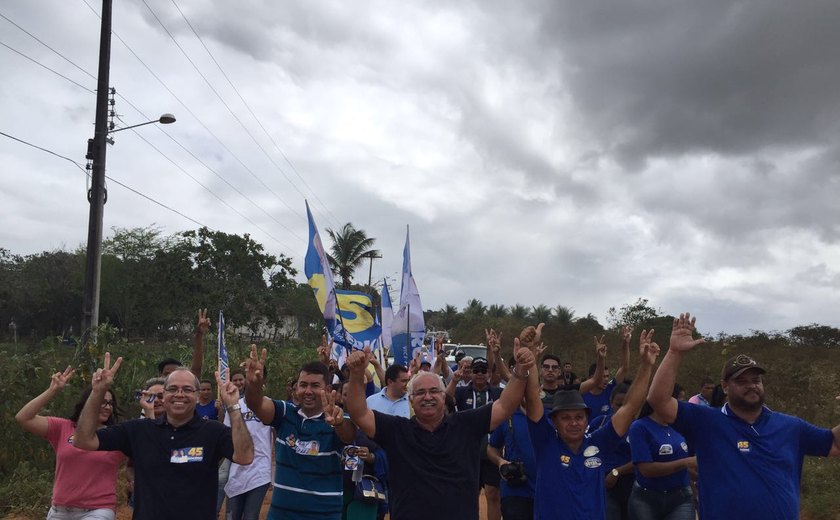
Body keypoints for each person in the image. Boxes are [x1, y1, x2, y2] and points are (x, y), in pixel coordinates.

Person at [647, 313, 840, 520]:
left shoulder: (791, 426)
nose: (752, 386)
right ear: (725, 387)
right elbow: (659, 401)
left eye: (756, 380)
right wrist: (675, 352)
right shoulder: (706, 422)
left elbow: (835, 445)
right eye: (742, 381)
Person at [344, 324, 541, 520]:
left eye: (434, 391)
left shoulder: (466, 425)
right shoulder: (397, 429)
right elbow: (359, 414)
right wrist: (356, 374)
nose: (427, 396)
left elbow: (505, 406)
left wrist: (521, 370)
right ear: (411, 399)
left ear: (443, 395)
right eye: (420, 392)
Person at [73, 353, 254, 520]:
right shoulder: (138, 430)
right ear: (164, 394)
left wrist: (233, 407)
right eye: (173, 389)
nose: (179, 394)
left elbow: (245, 456)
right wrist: (97, 393)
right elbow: (83, 440)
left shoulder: (213, 432)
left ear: (198, 396)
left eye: (187, 390)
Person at [526, 330, 661, 520]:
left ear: (587, 419)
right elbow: (532, 397)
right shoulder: (545, 443)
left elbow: (630, 407)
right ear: (554, 421)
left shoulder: (599, 443)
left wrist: (646, 365)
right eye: (565, 418)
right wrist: (530, 356)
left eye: (579, 417)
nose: (574, 423)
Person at [244, 347, 356, 520]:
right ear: (296, 388)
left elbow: (348, 435)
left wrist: (339, 423)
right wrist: (253, 385)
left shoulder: (337, 418)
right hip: (280, 515)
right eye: (303, 385)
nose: (308, 391)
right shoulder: (284, 413)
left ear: (327, 389)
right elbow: (255, 403)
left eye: (315, 385)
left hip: (324, 516)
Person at [15, 366, 126, 520]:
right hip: (60, 510)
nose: (107, 407)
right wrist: (52, 390)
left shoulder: (117, 435)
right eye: (101, 401)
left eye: (110, 403)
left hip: (97, 510)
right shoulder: (63, 427)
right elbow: (23, 418)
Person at [448, 356, 504, 520]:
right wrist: (454, 380)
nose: (480, 374)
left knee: (493, 494)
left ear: (488, 373)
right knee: (469, 494)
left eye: (483, 370)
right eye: (476, 370)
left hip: (491, 453)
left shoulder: (497, 392)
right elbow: (445, 401)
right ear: (471, 373)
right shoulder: (461, 392)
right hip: (467, 452)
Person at [627, 400, 696, 520]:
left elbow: (693, 462)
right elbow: (646, 470)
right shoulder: (639, 427)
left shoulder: (681, 427)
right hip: (646, 499)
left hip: (681, 497)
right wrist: (685, 462)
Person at [225, 365, 273, 520]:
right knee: (231, 516)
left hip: (260, 470)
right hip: (237, 470)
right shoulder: (233, 405)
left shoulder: (270, 405)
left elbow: (277, 436)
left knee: (251, 516)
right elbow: (226, 434)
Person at [587, 382, 634, 520]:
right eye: (619, 404)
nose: (622, 409)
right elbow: (586, 450)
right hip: (603, 487)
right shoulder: (599, 423)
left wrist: (617, 472)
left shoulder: (639, 427)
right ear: (611, 403)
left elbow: (643, 459)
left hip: (632, 486)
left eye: (626, 405)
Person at [487, 404, 537, 520]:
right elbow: (492, 447)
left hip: (545, 491)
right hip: (515, 489)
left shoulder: (549, 415)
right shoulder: (506, 416)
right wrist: (500, 461)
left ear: (538, 390)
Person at [581, 326, 631, 423]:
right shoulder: (582, 395)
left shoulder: (610, 389)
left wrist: (626, 343)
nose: (606, 379)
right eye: (603, 376)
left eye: (607, 376)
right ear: (592, 377)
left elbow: (624, 368)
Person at [156, 308, 211, 377]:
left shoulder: (184, 386)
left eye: (174, 374)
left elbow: (196, 369)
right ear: (160, 375)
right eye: (166, 374)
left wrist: (199, 334)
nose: (170, 377)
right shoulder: (153, 387)